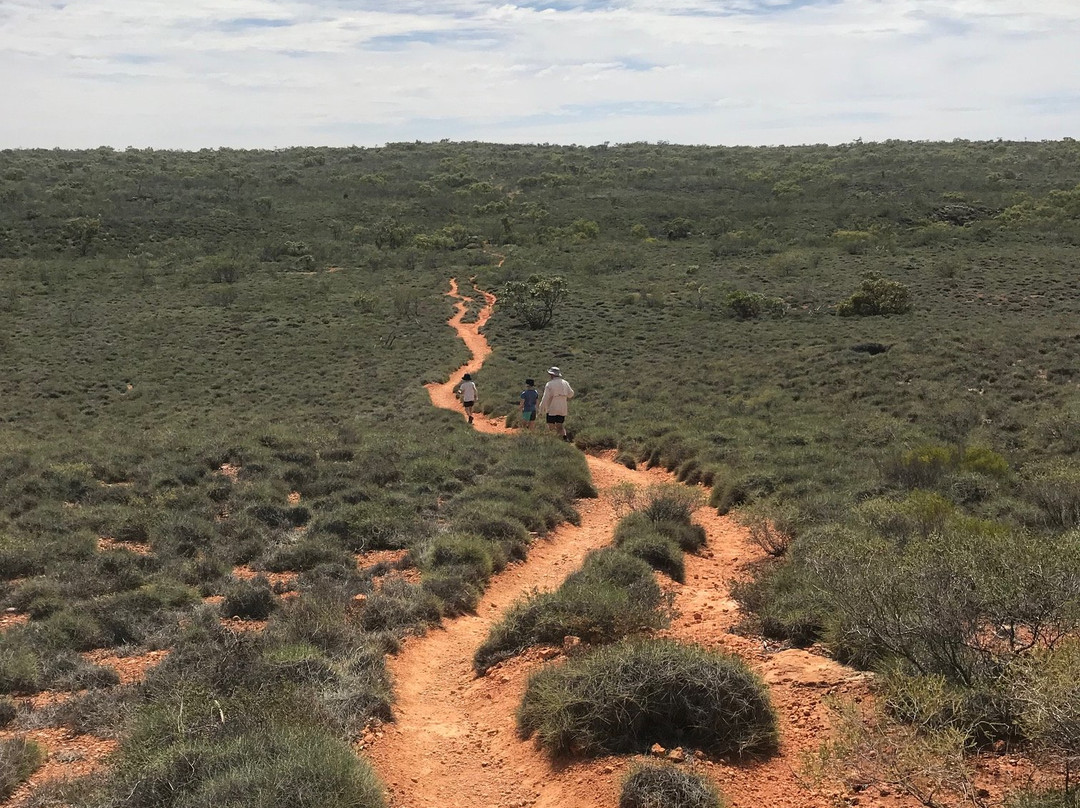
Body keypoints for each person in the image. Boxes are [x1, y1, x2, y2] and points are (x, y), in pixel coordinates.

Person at [538, 366, 574, 441]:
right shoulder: (565, 383)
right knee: (560, 425)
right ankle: (564, 438)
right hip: (562, 407)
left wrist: (541, 409)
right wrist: (563, 396)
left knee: (551, 425)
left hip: (552, 407)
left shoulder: (549, 384)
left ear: (552, 375)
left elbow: (545, 398)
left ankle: (554, 440)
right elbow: (571, 394)